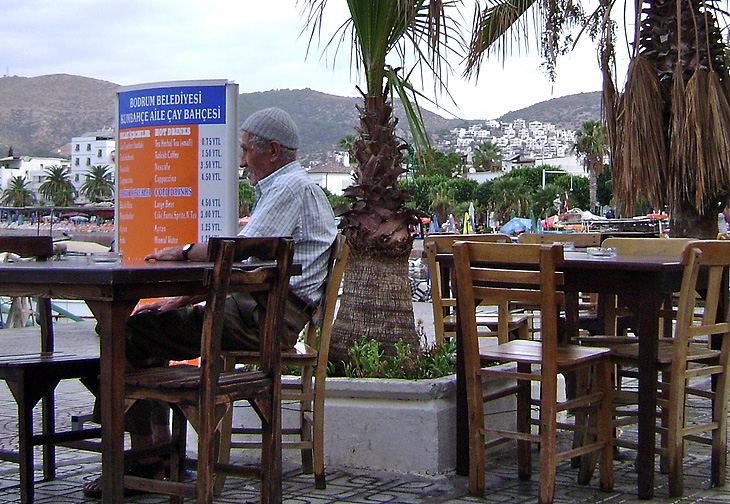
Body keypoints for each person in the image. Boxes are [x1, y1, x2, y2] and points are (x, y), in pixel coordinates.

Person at [83, 107, 337, 497]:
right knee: (139, 329)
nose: (240, 160)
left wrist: (182, 253)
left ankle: (147, 452)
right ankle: (155, 449)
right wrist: (175, 301)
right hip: (263, 313)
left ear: (271, 151)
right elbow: (236, 271)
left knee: (124, 331)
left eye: (245, 149)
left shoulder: (289, 189)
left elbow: (235, 252)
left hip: (263, 320)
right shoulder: (294, 189)